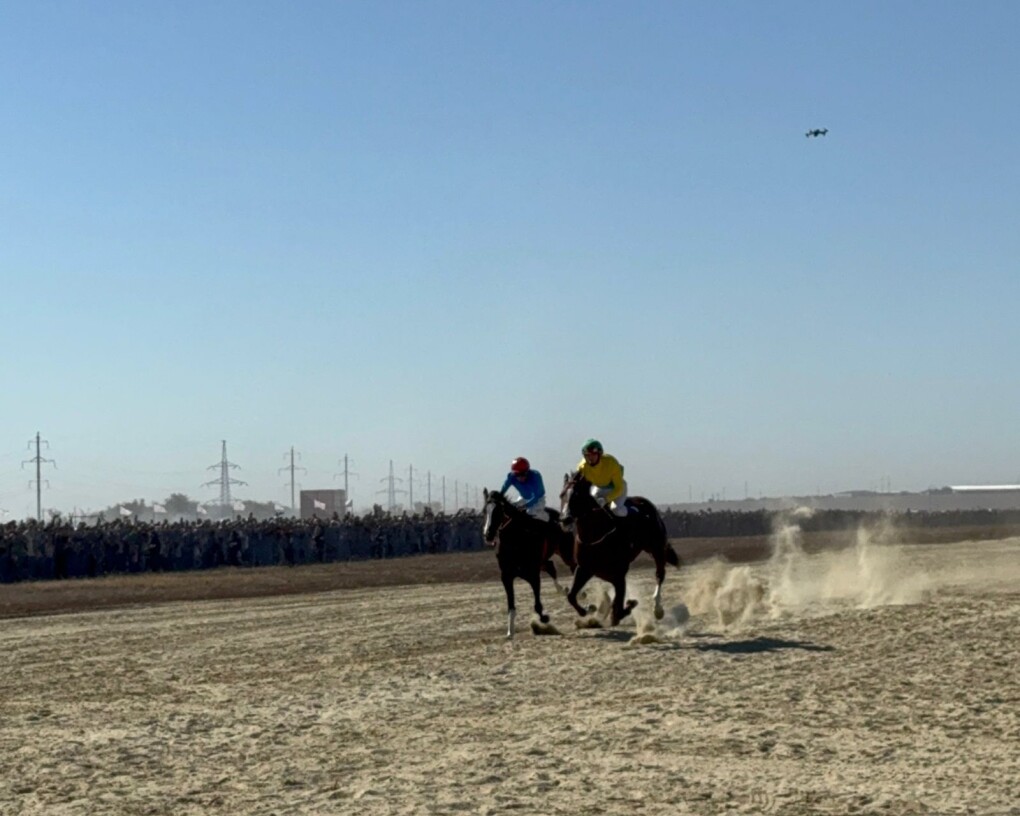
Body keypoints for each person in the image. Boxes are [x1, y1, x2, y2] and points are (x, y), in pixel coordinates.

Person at [576, 439, 629, 517]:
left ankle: (632, 511)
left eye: (593, 455)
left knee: (615, 509)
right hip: (599, 488)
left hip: (617, 488)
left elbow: (618, 488)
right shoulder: (582, 467)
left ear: (600, 454)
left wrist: (606, 499)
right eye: (588, 455)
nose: (590, 458)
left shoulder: (611, 463)